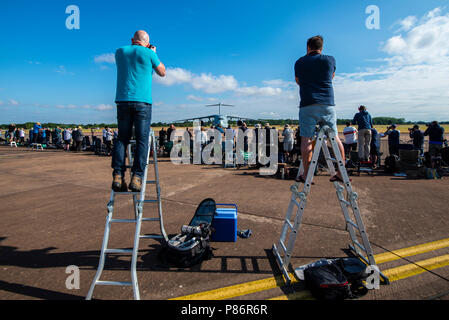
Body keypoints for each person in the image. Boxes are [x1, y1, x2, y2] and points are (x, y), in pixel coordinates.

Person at [112, 30, 166, 192]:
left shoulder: (120, 52)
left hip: (122, 100)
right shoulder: (149, 53)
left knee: (122, 139)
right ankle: (137, 177)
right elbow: (162, 72)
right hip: (142, 101)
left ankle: (118, 175)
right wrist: (153, 52)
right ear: (147, 42)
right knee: (142, 140)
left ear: (132, 40)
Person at [294, 35, 346, 183]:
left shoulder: (299, 62)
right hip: (327, 103)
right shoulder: (330, 60)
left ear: (308, 47)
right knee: (334, 138)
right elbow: (331, 77)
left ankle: (307, 174)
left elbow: (298, 81)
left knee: (306, 139)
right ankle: (342, 172)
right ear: (321, 48)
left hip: (307, 104)